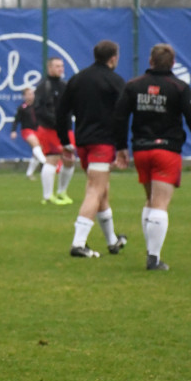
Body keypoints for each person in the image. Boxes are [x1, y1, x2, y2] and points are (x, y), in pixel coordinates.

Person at [113, 44, 191, 271]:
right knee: (161, 203)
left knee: (150, 200)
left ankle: (151, 252)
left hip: (141, 150)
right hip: (166, 151)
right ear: (173, 63)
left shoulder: (133, 86)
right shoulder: (179, 87)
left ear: (150, 61)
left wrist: (121, 147)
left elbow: (119, 117)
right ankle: (154, 259)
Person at [55, 40, 127, 259]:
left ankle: (112, 241)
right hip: (102, 143)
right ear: (113, 58)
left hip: (83, 143)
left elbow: (61, 111)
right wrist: (123, 146)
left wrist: (64, 140)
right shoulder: (115, 81)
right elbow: (122, 117)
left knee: (101, 191)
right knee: (95, 190)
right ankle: (78, 244)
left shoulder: (77, 79)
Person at [33, 56, 75, 205]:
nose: (60, 69)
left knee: (70, 160)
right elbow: (39, 109)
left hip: (66, 129)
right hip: (49, 129)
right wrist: (56, 121)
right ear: (49, 68)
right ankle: (48, 196)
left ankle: (62, 192)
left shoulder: (65, 85)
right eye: (57, 66)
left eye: (62, 66)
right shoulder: (43, 87)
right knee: (52, 158)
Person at [9, 87, 47, 180]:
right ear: (24, 96)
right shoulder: (22, 108)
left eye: (32, 93)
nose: (31, 96)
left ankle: (29, 173)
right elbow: (16, 120)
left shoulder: (37, 106)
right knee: (36, 146)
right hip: (27, 131)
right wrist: (13, 131)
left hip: (38, 130)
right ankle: (46, 163)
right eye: (29, 94)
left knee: (37, 151)